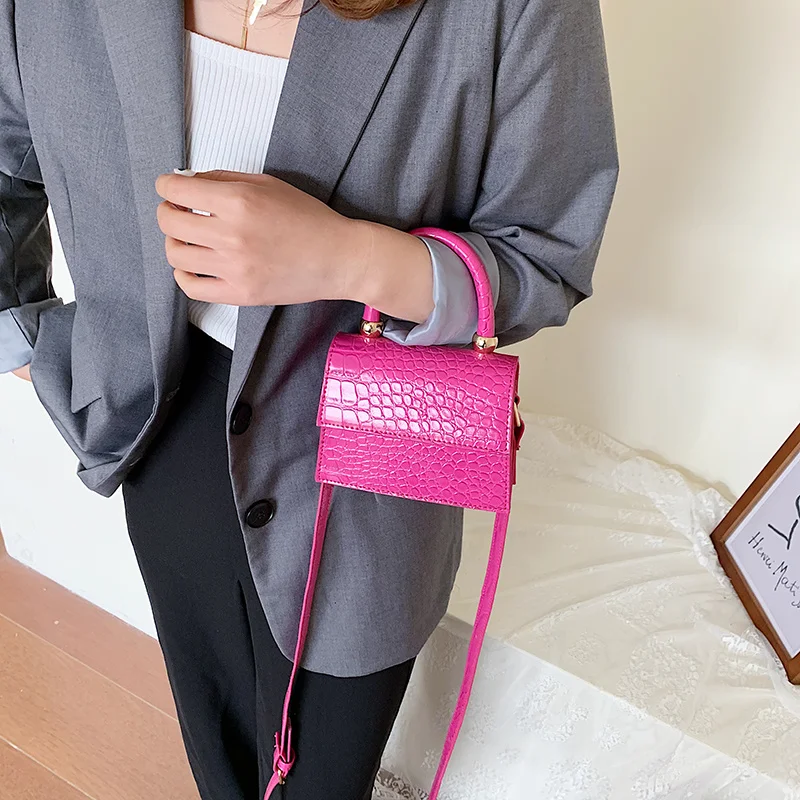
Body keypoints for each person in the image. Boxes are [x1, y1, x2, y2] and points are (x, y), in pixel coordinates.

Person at [0, 0, 619, 797]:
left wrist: (346, 257)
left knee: (324, 772)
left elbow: (546, 257)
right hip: (156, 424)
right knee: (217, 741)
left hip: (373, 455)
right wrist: (23, 337)